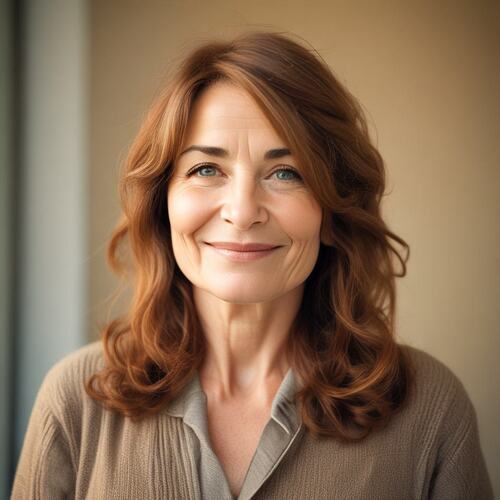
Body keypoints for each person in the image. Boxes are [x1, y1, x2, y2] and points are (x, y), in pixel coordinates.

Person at [11, 31, 493, 500]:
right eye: (206, 169)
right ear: (164, 204)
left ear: (332, 212)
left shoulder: (430, 407)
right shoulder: (75, 399)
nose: (242, 211)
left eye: (286, 173)